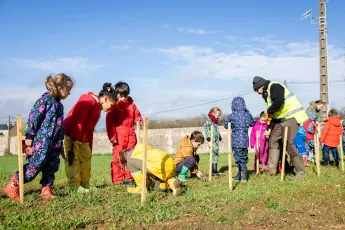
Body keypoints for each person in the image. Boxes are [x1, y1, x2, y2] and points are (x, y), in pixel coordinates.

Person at [2, 73, 74, 201]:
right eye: (68, 90)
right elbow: (34, 117)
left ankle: (46, 189)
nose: (69, 94)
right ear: (60, 87)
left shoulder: (60, 106)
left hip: (55, 143)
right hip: (42, 142)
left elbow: (60, 126)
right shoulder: (45, 100)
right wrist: (29, 135)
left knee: (51, 166)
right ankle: (12, 185)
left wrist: (61, 144)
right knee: (35, 165)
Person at [63, 83, 116, 193]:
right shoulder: (87, 101)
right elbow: (77, 121)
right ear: (106, 99)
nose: (111, 109)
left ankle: (85, 184)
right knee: (74, 160)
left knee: (86, 159)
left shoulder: (98, 109)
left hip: (83, 138)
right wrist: (73, 141)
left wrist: (89, 146)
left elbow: (90, 129)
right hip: (72, 135)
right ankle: (74, 186)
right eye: (111, 105)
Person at [252, 76, 308, 179]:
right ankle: (272, 169)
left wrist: (268, 112)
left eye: (257, 90)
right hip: (280, 120)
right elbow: (274, 115)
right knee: (273, 139)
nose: (257, 93)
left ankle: (300, 173)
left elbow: (278, 102)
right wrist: (269, 128)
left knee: (289, 145)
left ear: (261, 86)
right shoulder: (267, 94)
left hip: (292, 117)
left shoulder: (275, 86)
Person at [106, 81, 142, 185]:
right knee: (118, 158)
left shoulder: (132, 106)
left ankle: (129, 178)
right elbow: (110, 123)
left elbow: (137, 116)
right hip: (119, 137)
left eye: (125, 96)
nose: (123, 98)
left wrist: (139, 120)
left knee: (130, 157)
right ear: (116, 95)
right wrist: (112, 137)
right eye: (121, 96)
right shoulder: (114, 107)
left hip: (131, 136)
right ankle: (118, 179)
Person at [224, 97, 254, 183]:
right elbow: (252, 123)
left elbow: (226, 126)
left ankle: (243, 176)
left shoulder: (231, 116)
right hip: (244, 140)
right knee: (243, 157)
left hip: (236, 140)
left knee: (238, 158)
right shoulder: (247, 114)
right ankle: (240, 175)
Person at [204, 107, 222, 175]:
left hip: (216, 140)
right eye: (218, 115)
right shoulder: (208, 121)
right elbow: (206, 130)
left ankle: (214, 170)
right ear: (213, 113)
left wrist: (220, 137)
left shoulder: (215, 121)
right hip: (211, 140)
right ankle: (213, 170)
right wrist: (209, 140)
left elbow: (216, 130)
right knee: (213, 154)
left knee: (216, 154)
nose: (218, 116)